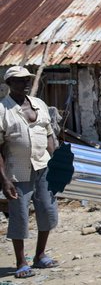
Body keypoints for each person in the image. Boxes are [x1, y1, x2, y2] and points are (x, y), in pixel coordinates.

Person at [0, 66, 59, 279]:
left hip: (43, 168)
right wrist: (4, 180)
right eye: (19, 80)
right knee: (20, 217)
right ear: (9, 84)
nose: (25, 83)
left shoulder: (40, 105)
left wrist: (57, 164)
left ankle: (40, 255)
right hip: (17, 171)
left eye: (27, 79)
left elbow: (50, 135)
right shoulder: (2, 110)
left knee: (47, 211)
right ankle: (21, 262)